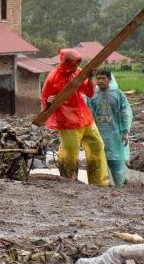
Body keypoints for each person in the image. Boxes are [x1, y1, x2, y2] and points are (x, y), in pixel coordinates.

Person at [41, 48, 109, 186]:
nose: (75, 67)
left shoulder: (78, 73)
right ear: (65, 62)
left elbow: (89, 93)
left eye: (77, 64)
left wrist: (89, 78)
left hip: (84, 117)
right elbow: (46, 101)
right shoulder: (52, 78)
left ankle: (99, 183)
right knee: (70, 152)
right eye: (73, 64)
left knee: (97, 145)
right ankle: (68, 181)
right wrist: (49, 101)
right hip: (67, 121)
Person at [87, 68, 133, 187]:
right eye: (98, 78)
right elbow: (88, 116)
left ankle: (119, 186)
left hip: (114, 135)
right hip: (97, 134)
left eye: (103, 78)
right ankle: (100, 187)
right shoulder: (92, 95)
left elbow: (125, 113)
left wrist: (125, 132)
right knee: (98, 161)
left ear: (110, 79)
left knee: (115, 162)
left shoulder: (118, 94)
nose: (101, 81)